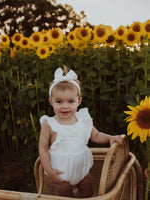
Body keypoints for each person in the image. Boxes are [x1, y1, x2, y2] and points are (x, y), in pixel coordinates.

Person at [39, 67, 123, 198]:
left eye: (70, 101)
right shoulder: (49, 124)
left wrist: (110, 138)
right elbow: (43, 148)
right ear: (51, 102)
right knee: (66, 195)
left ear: (79, 101)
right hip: (60, 170)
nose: (65, 106)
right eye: (59, 101)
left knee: (87, 192)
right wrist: (49, 171)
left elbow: (95, 135)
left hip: (82, 168)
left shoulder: (82, 119)